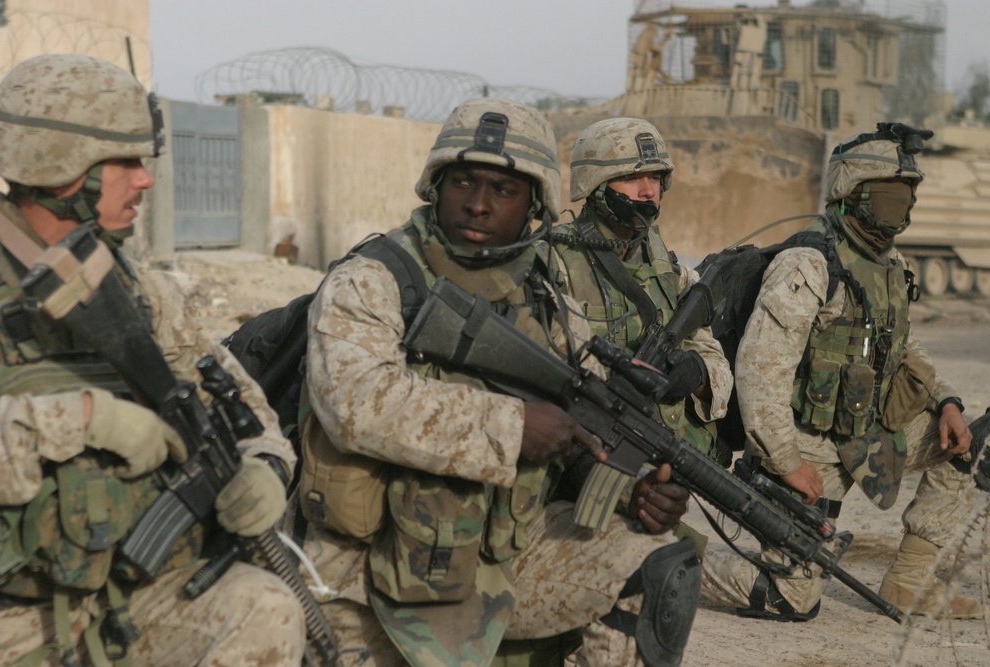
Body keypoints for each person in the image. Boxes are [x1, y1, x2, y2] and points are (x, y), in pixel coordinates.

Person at [290, 97, 701, 666]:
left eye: (504, 191)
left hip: (499, 558)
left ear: (534, 204)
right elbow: (355, 404)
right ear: (436, 186)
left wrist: (632, 490)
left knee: (657, 559)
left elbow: (576, 430)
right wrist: (512, 427)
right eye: (463, 181)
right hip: (364, 573)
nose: (479, 205)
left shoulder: (548, 298)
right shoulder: (374, 279)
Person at [0, 54, 305, 665]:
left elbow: (237, 397)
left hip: (129, 595)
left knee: (265, 609)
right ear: (61, 167)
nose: (146, 180)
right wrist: (80, 419)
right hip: (10, 617)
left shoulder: (138, 290)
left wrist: (264, 463)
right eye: (126, 161)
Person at [700, 123, 982, 620]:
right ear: (851, 193)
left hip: (868, 433)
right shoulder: (808, 263)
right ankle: (663, 561)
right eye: (889, 193)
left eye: (907, 193)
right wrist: (786, 461)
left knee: (978, 448)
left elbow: (902, 347)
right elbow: (760, 369)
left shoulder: (887, 264)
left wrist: (948, 402)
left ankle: (910, 583)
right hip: (809, 450)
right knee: (791, 595)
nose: (903, 207)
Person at [549, 117, 733, 517]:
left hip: (666, 463)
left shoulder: (667, 266)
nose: (648, 191)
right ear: (596, 185)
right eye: (633, 177)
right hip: (589, 459)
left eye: (655, 178)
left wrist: (697, 375)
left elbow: (717, 363)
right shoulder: (557, 262)